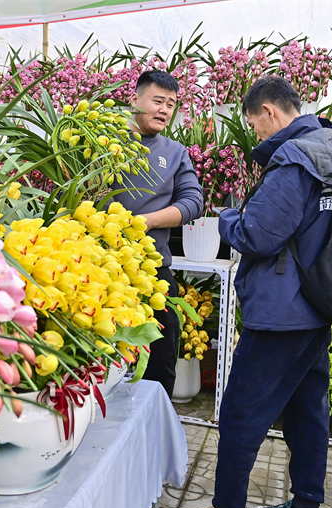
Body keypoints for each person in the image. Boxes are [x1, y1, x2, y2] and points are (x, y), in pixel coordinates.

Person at [172, 78, 332, 508]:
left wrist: (228, 217)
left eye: (255, 127)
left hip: (281, 312)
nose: (258, 136)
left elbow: (257, 236)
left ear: (269, 111)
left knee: (241, 415)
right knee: (307, 413)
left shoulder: (294, 160)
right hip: (318, 302)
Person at [111, 70, 203, 399]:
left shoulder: (176, 152)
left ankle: (155, 432)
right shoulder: (106, 141)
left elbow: (193, 203)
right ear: (134, 99)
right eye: (158, 100)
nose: (165, 109)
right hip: (103, 269)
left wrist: (148, 221)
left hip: (153, 273)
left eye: (171, 104)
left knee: (160, 361)